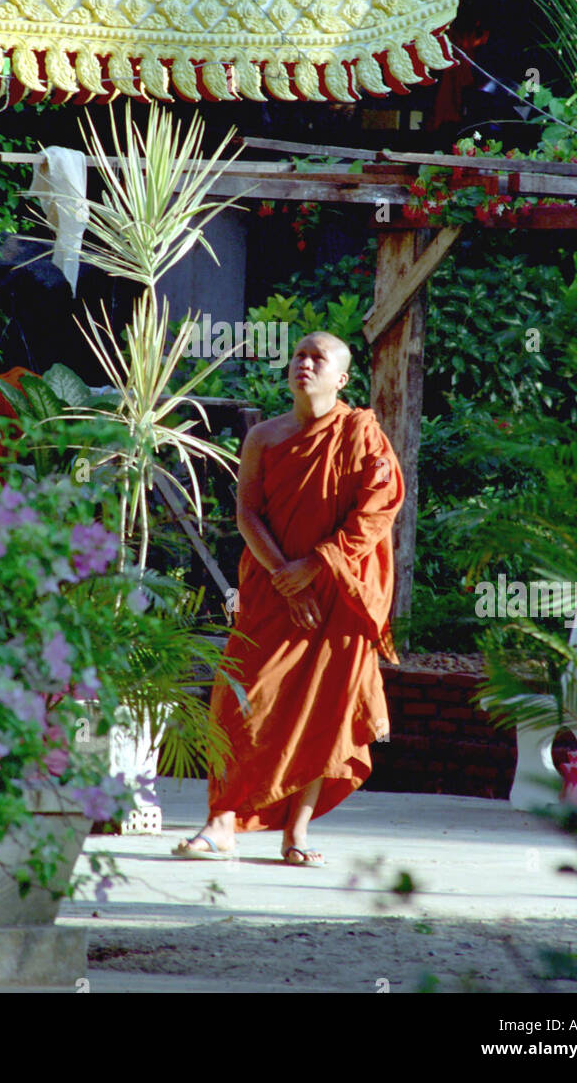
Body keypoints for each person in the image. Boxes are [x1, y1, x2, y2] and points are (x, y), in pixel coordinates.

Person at [172, 330, 404, 866]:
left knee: (324, 711)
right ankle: (220, 821)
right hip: (272, 588)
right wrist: (284, 574)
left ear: (341, 378)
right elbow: (247, 514)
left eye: (317, 358)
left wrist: (316, 568)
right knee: (238, 700)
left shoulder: (363, 435)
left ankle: (296, 833)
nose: (304, 363)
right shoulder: (264, 437)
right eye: (298, 354)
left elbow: (377, 510)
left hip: (336, 595)